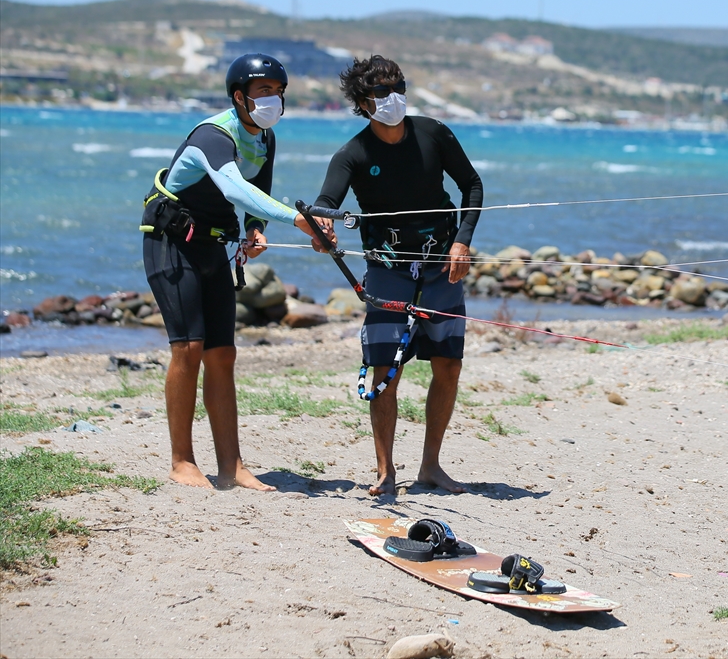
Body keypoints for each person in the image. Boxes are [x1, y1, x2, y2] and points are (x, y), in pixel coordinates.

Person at [141, 54, 326, 490]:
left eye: (278, 91)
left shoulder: (265, 137)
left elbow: (258, 189)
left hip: (212, 246)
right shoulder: (213, 135)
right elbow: (233, 186)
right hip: (170, 243)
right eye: (264, 91)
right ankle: (181, 461)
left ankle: (232, 466)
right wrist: (298, 220)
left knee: (223, 353)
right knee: (189, 347)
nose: (273, 99)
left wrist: (256, 228)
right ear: (239, 97)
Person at [314, 55, 483, 495]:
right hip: (387, 271)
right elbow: (325, 202)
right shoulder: (352, 153)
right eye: (382, 93)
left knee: (448, 364)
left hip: (440, 265)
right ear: (362, 102)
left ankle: (430, 466)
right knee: (384, 369)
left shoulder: (433, 132)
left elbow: (472, 184)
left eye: (399, 87)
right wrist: (323, 226)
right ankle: (386, 471)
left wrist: (462, 242)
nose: (394, 99)